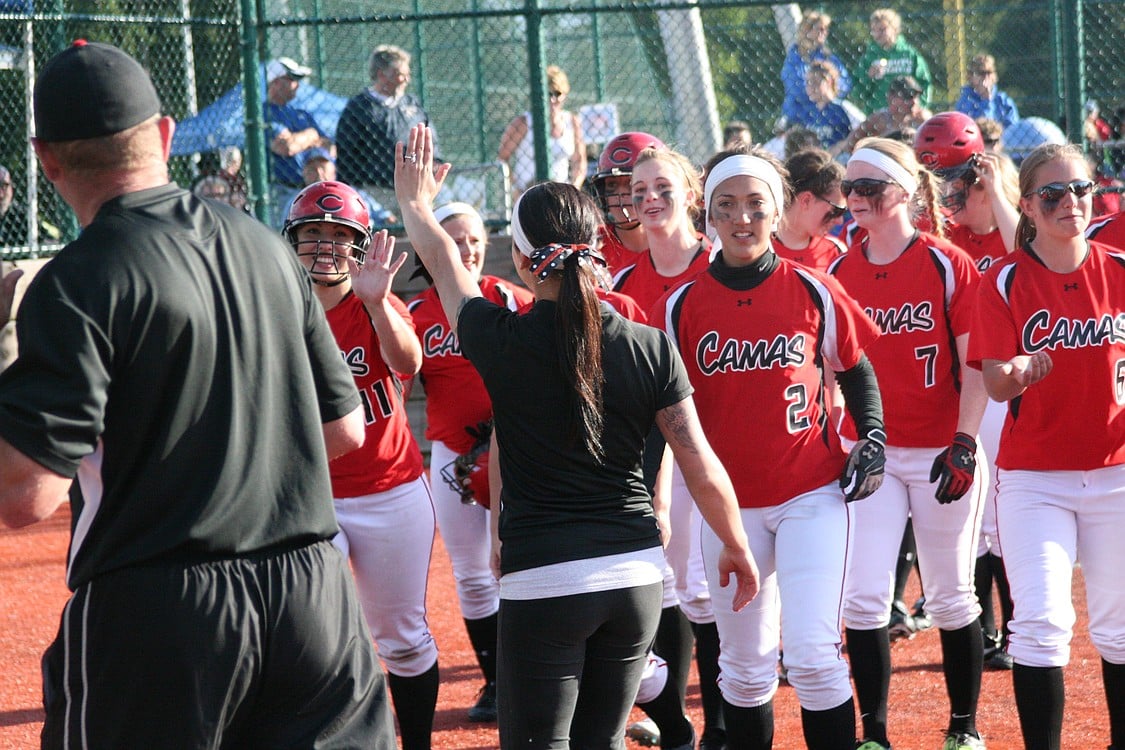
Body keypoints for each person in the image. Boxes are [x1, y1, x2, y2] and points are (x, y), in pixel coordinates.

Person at [0, 40, 395, 748]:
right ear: (163, 134)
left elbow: (25, 496)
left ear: (46, 158)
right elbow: (344, 431)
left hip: (158, 608)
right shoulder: (267, 247)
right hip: (312, 596)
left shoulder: (77, 278)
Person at [394, 123, 759, 747]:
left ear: (526, 259)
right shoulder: (649, 345)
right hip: (636, 577)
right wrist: (736, 544)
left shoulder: (498, 337)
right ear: (596, 244)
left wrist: (415, 206)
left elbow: (447, 266)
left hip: (545, 578)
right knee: (603, 741)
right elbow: (697, 459)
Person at [652, 146, 886, 750]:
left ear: (777, 209)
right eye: (726, 206)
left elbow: (854, 368)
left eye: (756, 204)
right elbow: (658, 413)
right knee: (747, 667)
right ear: (708, 215)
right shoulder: (681, 306)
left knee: (811, 655)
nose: (742, 218)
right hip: (727, 508)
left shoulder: (813, 288)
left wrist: (874, 435)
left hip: (811, 491)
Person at [827, 137, 989, 750]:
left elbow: (974, 364)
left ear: (908, 192)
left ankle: (963, 728)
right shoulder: (839, 270)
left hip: (941, 446)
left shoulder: (947, 263)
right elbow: (829, 371)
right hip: (876, 452)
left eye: (871, 187)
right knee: (864, 595)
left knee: (950, 593)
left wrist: (966, 441)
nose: (858, 199)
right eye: (851, 188)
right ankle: (876, 734)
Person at [967, 142, 1125, 750]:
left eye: (1080, 190)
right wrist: (1021, 369)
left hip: (1115, 472)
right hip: (1037, 480)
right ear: (1027, 206)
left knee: (1118, 628)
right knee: (1040, 626)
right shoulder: (1004, 280)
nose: (1070, 203)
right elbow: (995, 382)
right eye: (1052, 194)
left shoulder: (1117, 269)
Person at [282, 180, 439, 750]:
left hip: (388, 490)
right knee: (306, 634)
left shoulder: (376, 302)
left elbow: (408, 363)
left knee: (402, 640)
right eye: (314, 234)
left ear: (361, 244)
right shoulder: (279, 306)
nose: (325, 246)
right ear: (292, 239)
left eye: (338, 235)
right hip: (308, 495)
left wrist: (375, 302)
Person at [405, 201, 533, 723]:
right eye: (454, 239)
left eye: (476, 238)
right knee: (473, 575)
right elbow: (398, 383)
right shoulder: (415, 314)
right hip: (454, 457)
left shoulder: (510, 299)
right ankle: (498, 681)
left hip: (516, 452)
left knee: (523, 565)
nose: (468, 248)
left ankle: (533, 676)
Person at [337, 44, 438, 214]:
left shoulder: (411, 104)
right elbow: (346, 153)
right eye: (400, 74)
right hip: (374, 190)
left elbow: (431, 138)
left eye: (408, 74)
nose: (406, 80)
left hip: (414, 187)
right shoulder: (360, 107)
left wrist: (435, 161)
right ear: (381, 75)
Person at [613, 146, 711, 309]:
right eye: (640, 189)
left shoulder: (718, 265)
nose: (650, 196)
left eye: (662, 186)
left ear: (689, 196)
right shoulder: (622, 281)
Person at [497, 65, 586, 200]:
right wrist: (516, 191)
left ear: (564, 95)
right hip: (527, 193)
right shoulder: (523, 123)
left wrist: (573, 190)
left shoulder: (572, 121)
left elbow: (579, 161)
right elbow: (502, 159)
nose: (552, 99)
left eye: (557, 94)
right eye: (547, 94)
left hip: (560, 195)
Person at [263, 56, 332, 226]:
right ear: (276, 82)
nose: (297, 85)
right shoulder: (263, 113)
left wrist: (299, 138)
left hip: (309, 189)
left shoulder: (301, 113)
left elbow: (329, 146)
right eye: (292, 79)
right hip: (279, 190)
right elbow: (286, 147)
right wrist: (310, 135)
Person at [589, 131, 667, 273]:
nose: (620, 194)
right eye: (612, 185)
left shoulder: (682, 247)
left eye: (631, 184)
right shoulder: (592, 246)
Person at [281, 147, 396, 228]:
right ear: (303, 173)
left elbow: (388, 219)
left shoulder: (353, 195)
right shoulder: (295, 201)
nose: (318, 173)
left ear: (334, 171)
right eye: (312, 169)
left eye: (323, 167)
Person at [773, 147, 848, 271]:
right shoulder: (760, 248)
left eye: (844, 212)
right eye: (836, 211)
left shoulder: (835, 251)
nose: (839, 221)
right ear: (806, 200)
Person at [852, 8, 933, 116]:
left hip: (907, 115)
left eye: (882, 29)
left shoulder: (909, 54)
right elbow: (857, 93)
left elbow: (925, 83)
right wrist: (868, 77)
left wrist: (919, 108)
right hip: (879, 116)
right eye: (873, 30)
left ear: (895, 29)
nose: (877, 34)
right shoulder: (869, 57)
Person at [780, 10, 852, 125]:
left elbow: (845, 82)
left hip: (828, 114)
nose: (824, 32)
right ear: (807, 30)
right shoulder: (794, 57)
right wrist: (822, 91)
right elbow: (795, 88)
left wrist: (826, 94)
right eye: (820, 29)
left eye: (825, 29)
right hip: (799, 115)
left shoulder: (828, 57)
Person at [834, 75, 932, 158]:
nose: (914, 102)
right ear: (891, 97)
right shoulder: (879, 119)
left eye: (916, 96)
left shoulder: (923, 120)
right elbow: (851, 143)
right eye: (907, 97)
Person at [798, 61, 855, 153]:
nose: (810, 87)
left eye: (815, 82)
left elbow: (863, 131)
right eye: (808, 82)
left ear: (829, 81)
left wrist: (840, 146)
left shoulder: (842, 107)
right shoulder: (809, 112)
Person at [954, 54, 1020, 130]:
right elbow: (983, 129)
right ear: (970, 76)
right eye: (981, 73)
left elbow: (1014, 128)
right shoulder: (965, 101)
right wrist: (986, 100)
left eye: (989, 72)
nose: (986, 77)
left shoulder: (1003, 100)